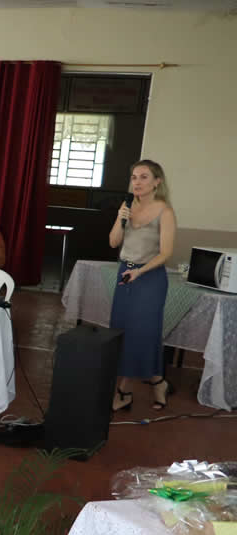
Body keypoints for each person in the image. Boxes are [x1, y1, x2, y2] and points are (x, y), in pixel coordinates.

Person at [109, 159, 176, 412]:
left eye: (144, 177)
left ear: (157, 182)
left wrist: (139, 273)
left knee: (141, 333)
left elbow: (166, 253)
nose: (137, 182)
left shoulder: (164, 211)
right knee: (122, 331)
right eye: (134, 177)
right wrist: (119, 218)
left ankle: (124, 391)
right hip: (125, 273)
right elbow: (114, 243)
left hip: (150, 278)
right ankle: (159, 382)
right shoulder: (126, 206)